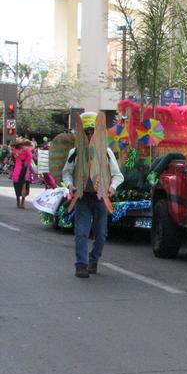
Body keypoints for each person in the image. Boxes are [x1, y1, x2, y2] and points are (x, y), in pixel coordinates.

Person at [62, 112, 124, 278]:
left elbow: (118, 175)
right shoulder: (74, 153)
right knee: (81, 233)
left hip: (100, 198)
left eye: (92, 132)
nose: (90, 136)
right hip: (82, 197)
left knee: (101, 234)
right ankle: (81, 265)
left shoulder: (106, 152)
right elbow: (66, 173)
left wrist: (112, 187)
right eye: (87, 132)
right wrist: (70, 185)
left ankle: (93, 259)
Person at [10, 136, 34, 209]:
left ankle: (18, 202)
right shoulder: (26, 150)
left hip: (17, 170)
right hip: (25, 170)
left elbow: (14, 160)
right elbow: (30, 157)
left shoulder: (14, 151)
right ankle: (22, 203)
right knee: (24, 185)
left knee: (17, 186)